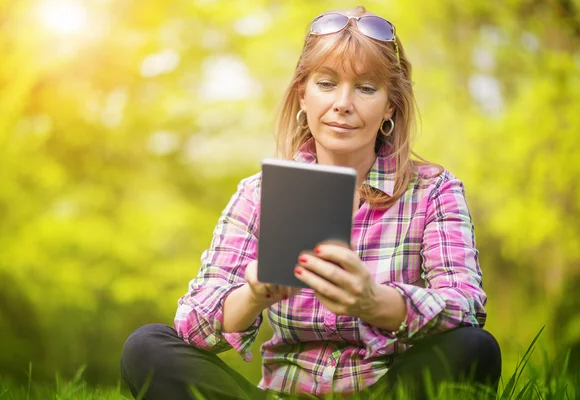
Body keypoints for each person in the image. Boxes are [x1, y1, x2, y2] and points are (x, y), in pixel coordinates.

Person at [120, 5, 502, 400]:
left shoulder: (433, 191)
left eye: (366, 88)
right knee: (146, 347)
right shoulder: (259, 194)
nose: (343, 103)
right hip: (281, 394)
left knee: (475, 348)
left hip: (387, 390)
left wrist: (375, 301)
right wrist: (251, 295)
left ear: (390, 105)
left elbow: (466, 307)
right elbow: (191, 325)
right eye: (327, 83)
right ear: (302, 94)